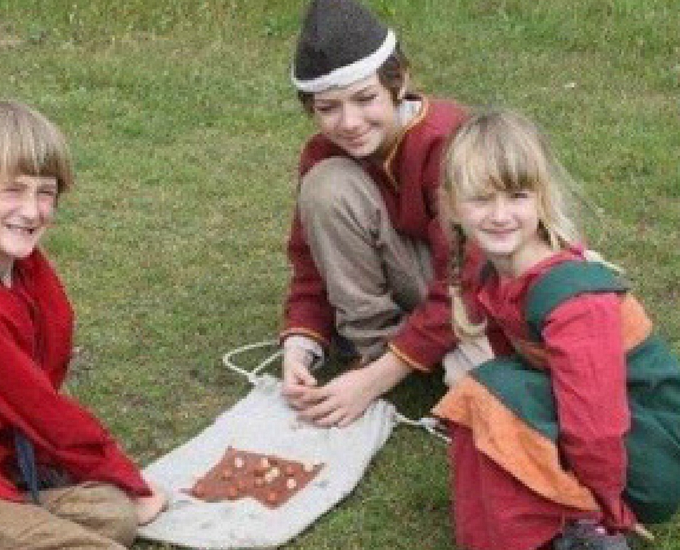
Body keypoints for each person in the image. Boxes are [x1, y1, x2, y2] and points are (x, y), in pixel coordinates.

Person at [433, 109, 680, 550]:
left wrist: (608, 504)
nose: (499, 215)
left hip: (653, 453)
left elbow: (597, 423)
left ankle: (587, 529)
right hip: (609, 435)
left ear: (542, 198)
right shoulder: (494, 275)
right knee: (488, 395)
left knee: (487, 390)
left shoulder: (572, 300)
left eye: (516, 196)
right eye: (481, 199)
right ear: (451, 205)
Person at [0, 101, 167, 549]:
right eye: (12, 191)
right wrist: (132, 479)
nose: (31, 211)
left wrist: (120, 488)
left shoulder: (28, 272)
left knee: (110, 514)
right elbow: (39, 406)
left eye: (44, 192)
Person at [281, 0, 493, 428]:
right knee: (326, 184)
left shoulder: (448, 141)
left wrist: (377, 381)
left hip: (487, 286)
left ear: (399, 82)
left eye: (364, 99)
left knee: (484, 387)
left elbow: (466, 277)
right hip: (421, 281)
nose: (350, 122)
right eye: (328, 108)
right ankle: (375, 346)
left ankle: (396, 364)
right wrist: (299, 342)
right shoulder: (322, 153)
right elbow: (310, 262)